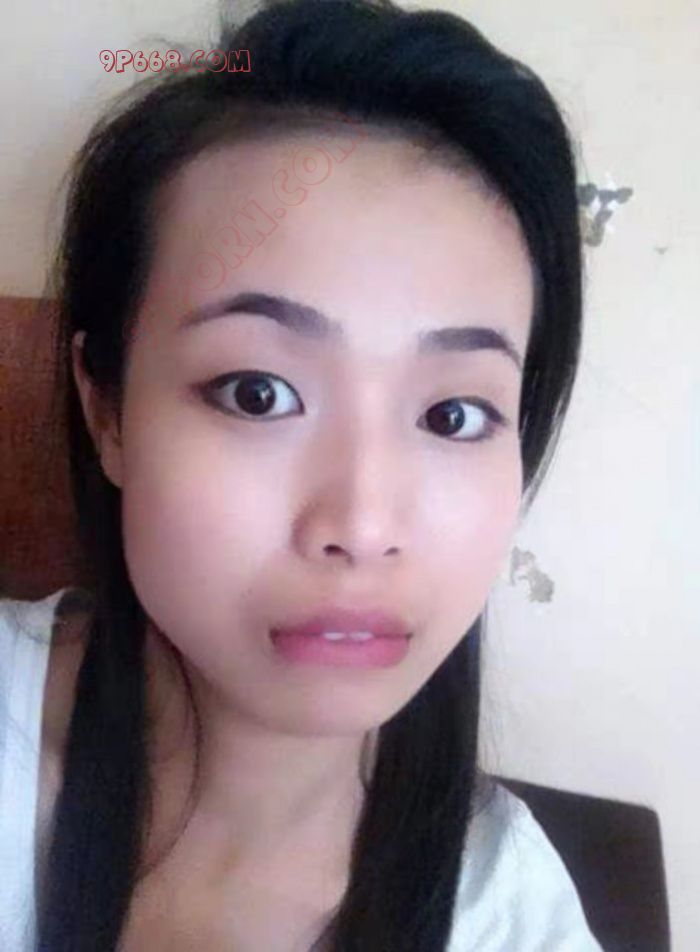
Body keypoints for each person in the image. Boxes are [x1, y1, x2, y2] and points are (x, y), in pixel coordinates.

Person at [0, 0, 604, 949]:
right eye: (258, 394)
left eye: (454, 415)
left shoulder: (511, 917)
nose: (363, 526)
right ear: (105, 408)